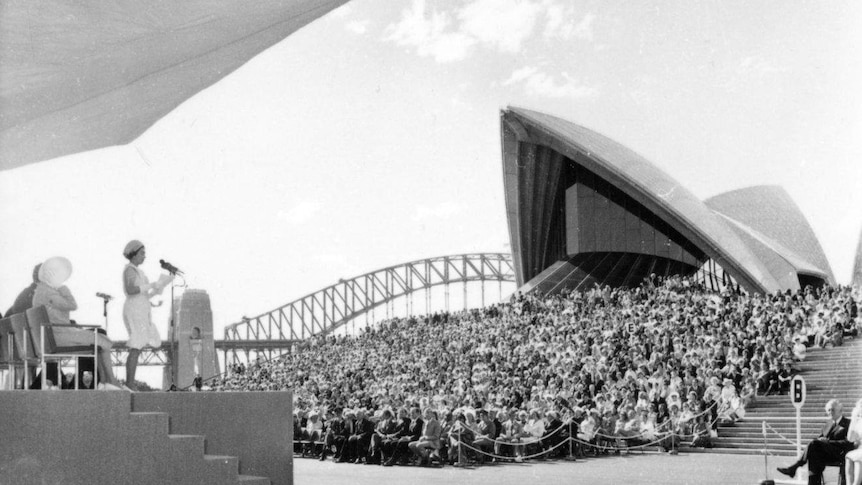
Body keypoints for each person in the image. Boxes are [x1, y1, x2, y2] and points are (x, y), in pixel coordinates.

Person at [31, 256, 124, 389]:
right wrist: (63, 288)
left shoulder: (41, 291)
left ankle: (105, 381)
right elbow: (72, 305)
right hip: (59, 335)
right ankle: (110, 381)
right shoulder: (49, 292)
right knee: (103, 341)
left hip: (55, 334)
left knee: (100, 340)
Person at [121, 240, 172, 391]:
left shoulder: (139, 271)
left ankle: (130, 382)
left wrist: (156, 290)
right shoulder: (129, 269)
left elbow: (143, 295)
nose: (144, 256)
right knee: (136, 344)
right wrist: (151, 285)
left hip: (141, 310)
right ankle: (129, 383)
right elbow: (131, 290)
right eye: (142, 253)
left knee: (139, 344)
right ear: (134, 254)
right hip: (134, 311)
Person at [778, 399, 854, 485]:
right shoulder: (828, 424)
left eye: (832, 409)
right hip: (826, 454)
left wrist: (828, 442)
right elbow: (819, 439)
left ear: (840, 410)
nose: (830, 412)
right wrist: (822, 441)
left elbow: (849, 443)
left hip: (840, 454)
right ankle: (813, 483)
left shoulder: (848, 423)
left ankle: (795, 467)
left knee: (814, 444)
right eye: (828, 410)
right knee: (814, 453)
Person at [846, 399, 862, 485]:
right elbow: (850, 438)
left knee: (859, 457)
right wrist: (853, 419)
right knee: (849, 456)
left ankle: (856, 483)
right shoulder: (859, 422)